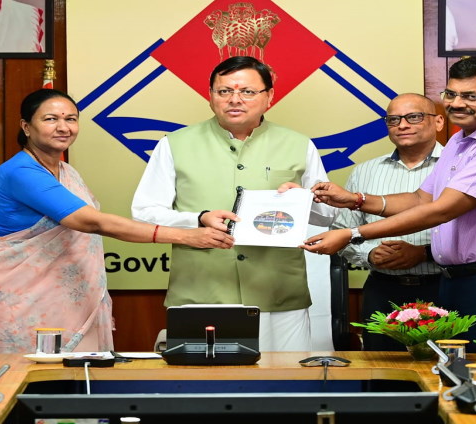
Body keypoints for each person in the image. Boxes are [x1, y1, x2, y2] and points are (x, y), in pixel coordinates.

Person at [302, 57, 476, 354]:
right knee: (456, 373)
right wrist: (356, 200)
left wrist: (352, 234)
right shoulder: (460, 141)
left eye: (471, 96)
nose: (457, 103)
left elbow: (441, 210)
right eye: (451, 94)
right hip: (460, 280)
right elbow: (422, 198)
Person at [0, 89, 234, 354]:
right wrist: (188, 235)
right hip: (22, 302)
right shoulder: (20, 172)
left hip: (72, 302)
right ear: (26, 126)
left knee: (79, 376)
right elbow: (92, 223)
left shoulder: (66, 171)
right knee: (26, 377)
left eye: (71, 119)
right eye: (51, 119)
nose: (63, 127)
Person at [132, 56, 333, 352]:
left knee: (285, 375)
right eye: (224, 91)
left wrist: (302, 200)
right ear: (210, 96)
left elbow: (327, 215)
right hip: (201, 289)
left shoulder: (299, 144)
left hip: (277, 289)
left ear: (269, 96)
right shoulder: (174, 144)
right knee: (206, 379)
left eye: (247, 91)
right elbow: (144, 213)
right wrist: (197, 219)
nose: (234, 99)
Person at [329, 93, 445, 351]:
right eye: (393, 120)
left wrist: (424, 254)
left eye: (413, 117)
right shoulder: (365, 171)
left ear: (438, 122)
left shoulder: (458, 167)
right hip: (382, 290)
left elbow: (472, 232)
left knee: (443, 366)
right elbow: (342, 233)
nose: (402, 125)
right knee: (380, 367)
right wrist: (370, 255)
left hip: (442, 288)